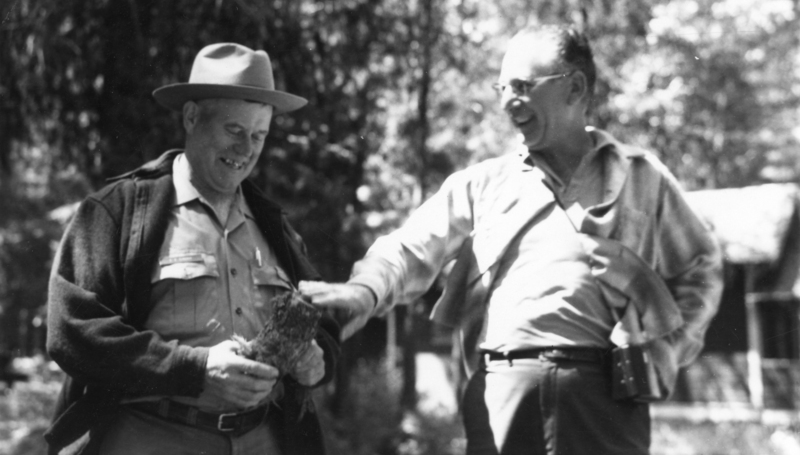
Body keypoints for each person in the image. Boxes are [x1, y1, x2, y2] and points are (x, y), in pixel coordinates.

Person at [300, 24, 723, 455]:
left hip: (609, 401)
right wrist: (362, 291)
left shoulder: (640, 177)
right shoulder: (484, 184)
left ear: (575, 88)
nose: (506, 100)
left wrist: (667, 350)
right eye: (502, 87)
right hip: (500, 400)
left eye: (522, 85)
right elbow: (409, 249)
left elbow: (701, 268)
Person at [45, 43, 340, 455]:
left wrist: (316, 362)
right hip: (150, 437)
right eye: (234, 131)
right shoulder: (117, 212)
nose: (247, 150)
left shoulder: (277, 228)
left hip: (264, 440)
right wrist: (196, 369)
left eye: (259, 135)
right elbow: (73, 332)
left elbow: (324, 321)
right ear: (191, 117)